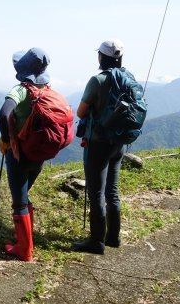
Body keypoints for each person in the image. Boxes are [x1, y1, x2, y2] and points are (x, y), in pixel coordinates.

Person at [73, 39, 127, 254]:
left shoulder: (98, 80)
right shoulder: (127, 78)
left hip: (98, 142)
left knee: (96, 192)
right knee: (112, 189)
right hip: (119, 141)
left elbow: (81, 112)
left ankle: (97, 241)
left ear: (101, 57)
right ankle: (113, 237)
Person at [0, 48, 51, 262]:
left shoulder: (21, 90)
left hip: (20, 153)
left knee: (19, 201)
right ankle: (25, 238)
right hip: (39, 153)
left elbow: (4, 114)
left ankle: (24, 250)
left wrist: (6, 139)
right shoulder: (47, 89)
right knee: (24, 195)